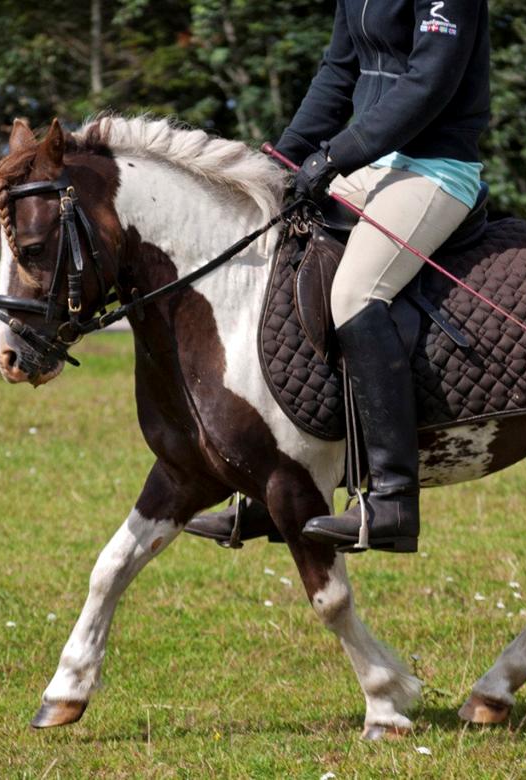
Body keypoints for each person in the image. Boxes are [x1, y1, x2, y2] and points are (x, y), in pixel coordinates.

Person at [184, 0, 491, 553]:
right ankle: (281, 475)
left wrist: (338, 153)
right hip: (369, 165)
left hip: (435, 167)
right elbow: (338, 72)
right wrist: (285, 158)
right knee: (282, 258)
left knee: (354, 295)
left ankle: (394, 499)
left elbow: (430, 81)